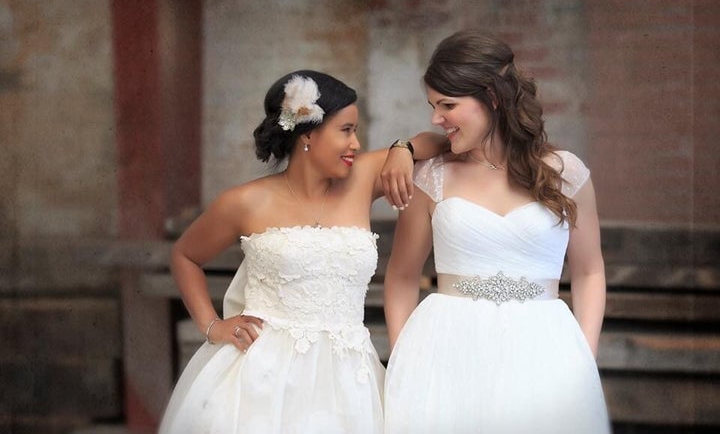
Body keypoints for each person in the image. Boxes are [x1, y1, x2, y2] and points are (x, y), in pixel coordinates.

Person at [158, 69, 447, 434]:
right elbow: (184, 256)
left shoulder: (363, 177)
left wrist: (402, 150)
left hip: (349, 380)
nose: (356, 144)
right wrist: (212, 325)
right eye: (346, 130)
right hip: (261, 378)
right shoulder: (244, 201)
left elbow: (440, 142)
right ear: (308, 133)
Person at [383, 31, 611, 433]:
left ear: (491, 97)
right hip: (444, 353)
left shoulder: (565, 173)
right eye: (434, 106)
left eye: (448, 105)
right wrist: (406, 359)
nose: (437, 118)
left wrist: (583, 354)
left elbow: (590, 272)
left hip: (544, 352)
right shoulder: (431, 178)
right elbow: (401, 277)